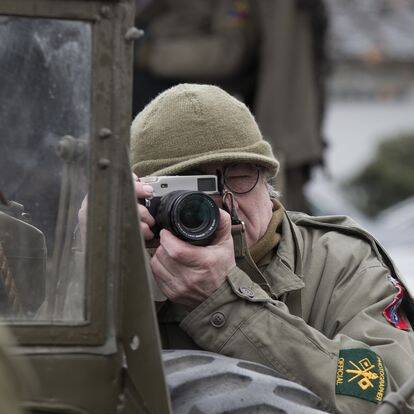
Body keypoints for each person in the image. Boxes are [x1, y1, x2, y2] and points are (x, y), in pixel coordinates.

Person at [130, 84, 414, 414]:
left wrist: (224, 304)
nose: (224, 206)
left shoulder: (338, 261)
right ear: (144, 196)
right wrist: (95, 253)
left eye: (239, 177)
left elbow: (393, 396)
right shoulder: (122, 262)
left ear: (267, 180)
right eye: (188, 190)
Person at [133, 0, 328, 212]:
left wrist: (149, 54)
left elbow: (231, 50)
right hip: (283, 130)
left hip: (275, 132)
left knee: (273, 216)